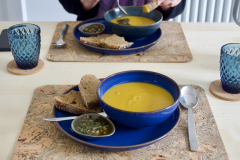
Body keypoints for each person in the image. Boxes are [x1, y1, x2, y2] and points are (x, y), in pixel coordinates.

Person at [59, 0, 186, 21]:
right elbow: (69, 4)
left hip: (148, 37)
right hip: (94, 36)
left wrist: (167, 4)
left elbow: (178, 6)